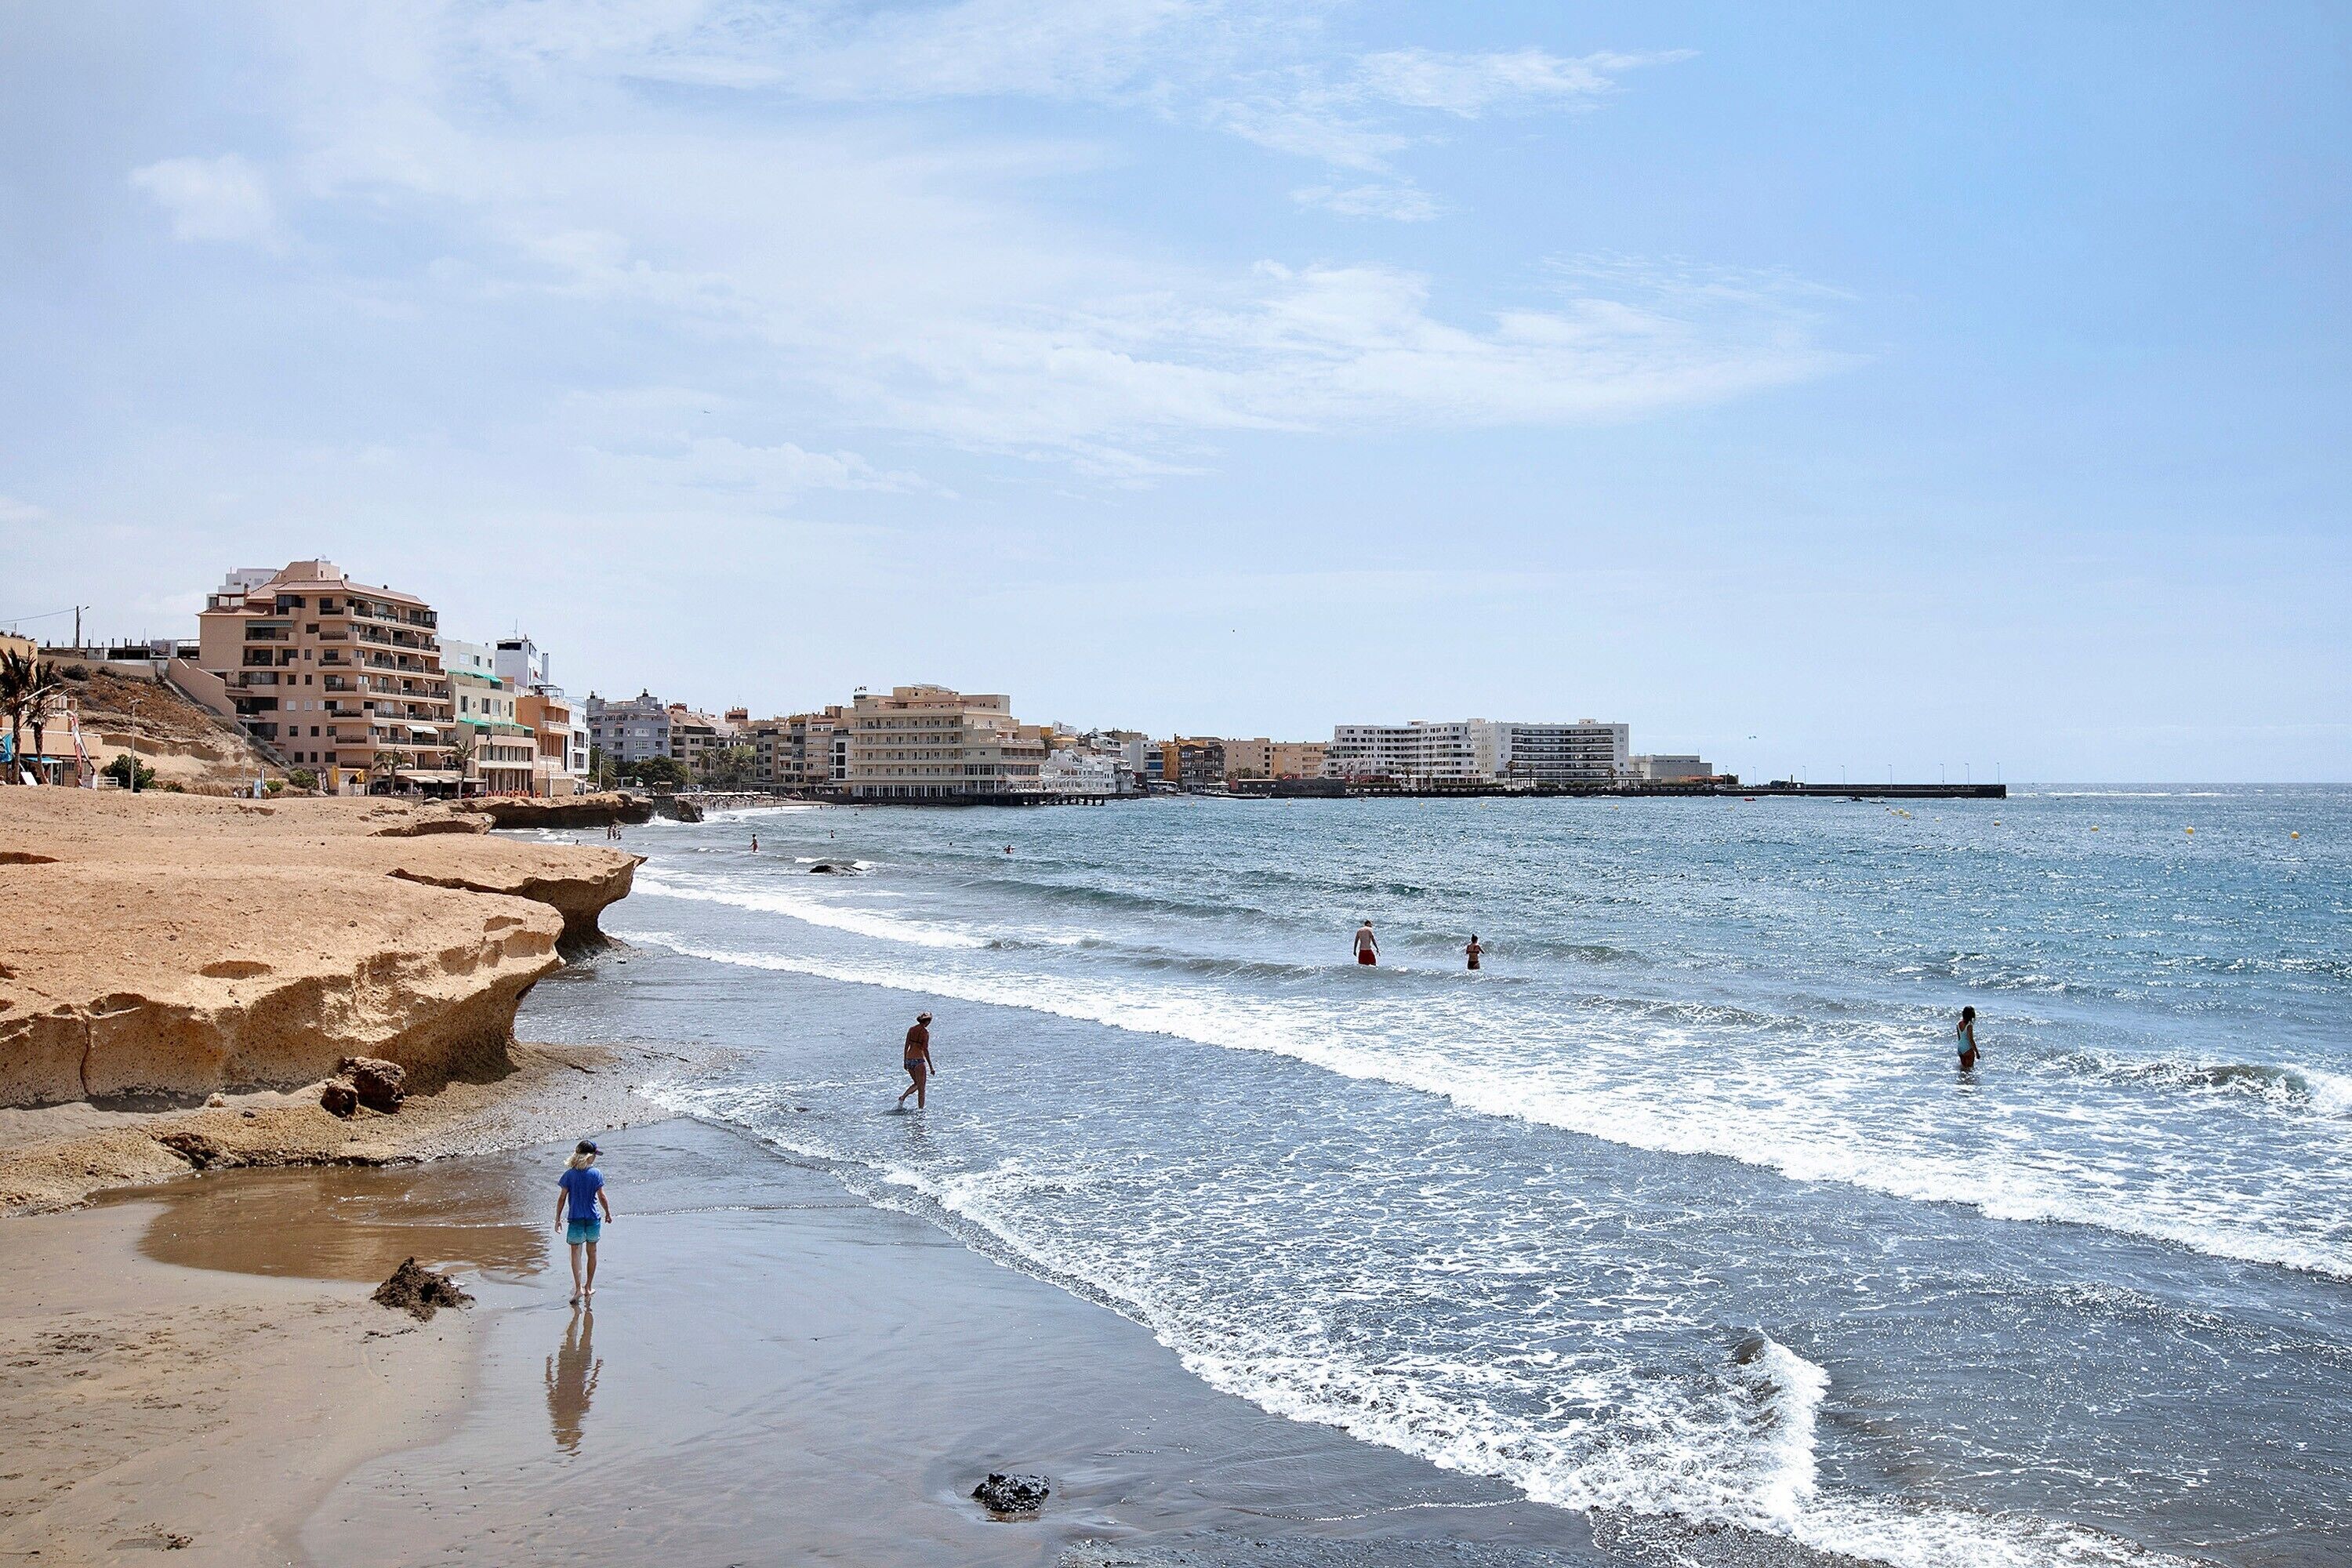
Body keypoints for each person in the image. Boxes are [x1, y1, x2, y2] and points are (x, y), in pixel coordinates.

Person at [554, 1141, 614, 1305]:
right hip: (593, 1218)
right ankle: (588, 1287)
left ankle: (578, 1288)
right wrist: (608, 1213)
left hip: (575, 1218)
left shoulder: (569, 1175)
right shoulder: (596, 1174)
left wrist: (558, 1219)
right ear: (589, 1156)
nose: (595, 1158)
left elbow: (562, 1198)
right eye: (594, 1155)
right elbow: (602, 1196)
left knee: (575, 1253)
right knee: (592, 1251)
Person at [896, 1012, 937, 1109]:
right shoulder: (925, 1033)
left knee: (917, 1084)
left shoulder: (911, 1029)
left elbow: (906, 1046)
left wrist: (905, 1061)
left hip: (909, 1059)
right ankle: (920, 1110)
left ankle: (903, 1097)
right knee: (921, 1089)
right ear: (927, 1022)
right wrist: (931, 1066)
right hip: (919, 1061)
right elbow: (925, 1050)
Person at [1956, 1006, 1980, 1073]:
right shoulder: (1969, 1026)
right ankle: (1969, 1082)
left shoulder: (1959, 1024)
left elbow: (1959, 1038)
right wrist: (1977, 1052)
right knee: (1969, 1070)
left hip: (1960, 1047)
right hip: (1967, 1048)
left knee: (1963, 1069)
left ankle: (1962, 1082)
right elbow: (1971, 1040)